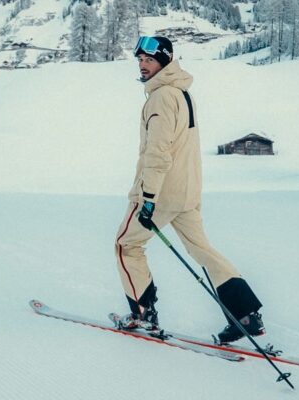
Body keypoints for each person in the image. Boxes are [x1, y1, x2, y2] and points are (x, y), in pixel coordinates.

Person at [114, 36, 265, 343]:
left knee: (126, 245)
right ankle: (246, 315)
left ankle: (143, 313)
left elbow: (158, 152)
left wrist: (148, 198)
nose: (143, 66)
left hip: (161, 193)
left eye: (150, 60)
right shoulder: (182, 93)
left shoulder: (159, 98)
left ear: (165, 62)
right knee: (202, 250)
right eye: (140, 60)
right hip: (188, 191)